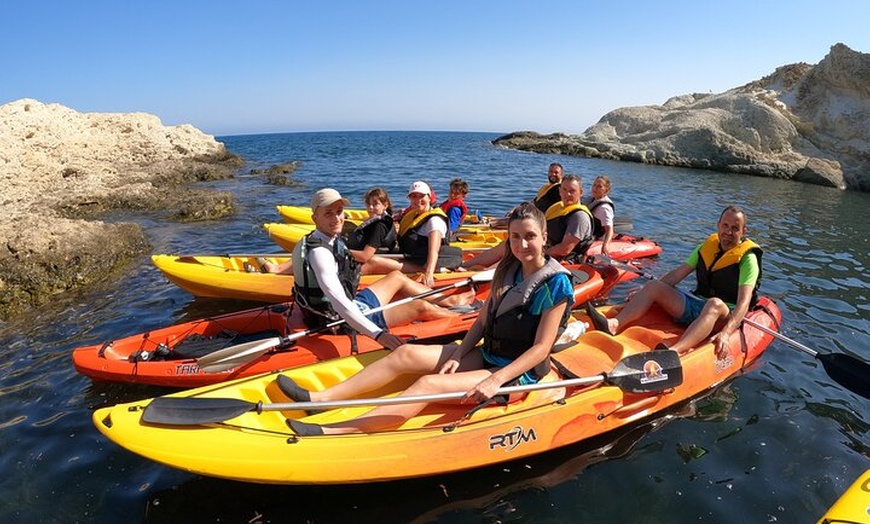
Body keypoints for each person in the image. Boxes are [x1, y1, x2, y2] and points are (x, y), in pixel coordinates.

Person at [280, 201, 575, 435]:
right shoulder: (506, 269)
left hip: (515, 373)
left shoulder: (556, 283)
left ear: (545, 237)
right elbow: (484, 321)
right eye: (515, 237)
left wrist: (496, 380)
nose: (522, 245)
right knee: (405, 354)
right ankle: (321, 400)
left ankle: (336, 430)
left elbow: (541, 347)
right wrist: (459, 353)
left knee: (427, 385)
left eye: (530, 237)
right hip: (490, 354)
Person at [291, 188, 475, 351]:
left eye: (339, 212)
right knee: (419, 307)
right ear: (315, 218)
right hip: (338, 320)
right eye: (328, 214)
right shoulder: (320, 254)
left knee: (396, 276)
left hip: (349, 304)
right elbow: (339, 303)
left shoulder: (315, 239)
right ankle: (465, 319)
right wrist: (378, 335)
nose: (336, 218)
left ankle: (451, 300)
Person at [586, 205, 762, 359]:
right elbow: (677, 275)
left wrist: (726, 332)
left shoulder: (748, 259)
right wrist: (646, 293)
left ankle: (675, 351)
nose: (728, 232)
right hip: (698, 305)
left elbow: (743, 303)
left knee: (714, 303)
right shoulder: (707, 247)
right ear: (718, 225)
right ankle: (614, 324)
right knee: (654, 285)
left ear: (743, 231)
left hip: (723, 314)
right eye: (725, 225)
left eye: (735, 228)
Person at [460, 174, 594, 268]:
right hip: (543, 248)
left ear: (580, 192)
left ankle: (486, 275)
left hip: (559, 259)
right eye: (564, 190)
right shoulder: (558, 207)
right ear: (559, 191)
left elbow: (565, 249)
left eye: (572, 191)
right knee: (506, 245)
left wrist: (539, 252)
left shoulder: (579, 217)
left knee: (517, 256)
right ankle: (465, 266)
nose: (567, 194)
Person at [258, 187, 397, 275]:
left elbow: (366, 256)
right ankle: (278, 268)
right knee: (310, 249)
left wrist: (337, 249)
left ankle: (276, 270)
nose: (371, 208)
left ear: (385, 205)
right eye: (369, 204)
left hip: (354, 260)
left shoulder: (380, 225)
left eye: (375, 204)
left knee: (315, 252)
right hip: (347, 250)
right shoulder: (378, 221)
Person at [366, 181, 463, 287]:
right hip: (411, 258)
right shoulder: (414, 215)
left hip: (424, 264)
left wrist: (429, 273)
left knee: (373, 261)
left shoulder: (434, 221)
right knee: (376, 255)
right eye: (413, 197)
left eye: (421, 196)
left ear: (429, 198)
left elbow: (434, 250)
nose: (417, 200)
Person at [581, 175, 615, 256]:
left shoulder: (604, 208)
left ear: (606, 190)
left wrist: (605, 245)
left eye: (599, 186)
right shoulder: (591, 199)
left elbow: (609, 229)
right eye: (594, 185)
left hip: (595, 236)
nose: (595, 188)